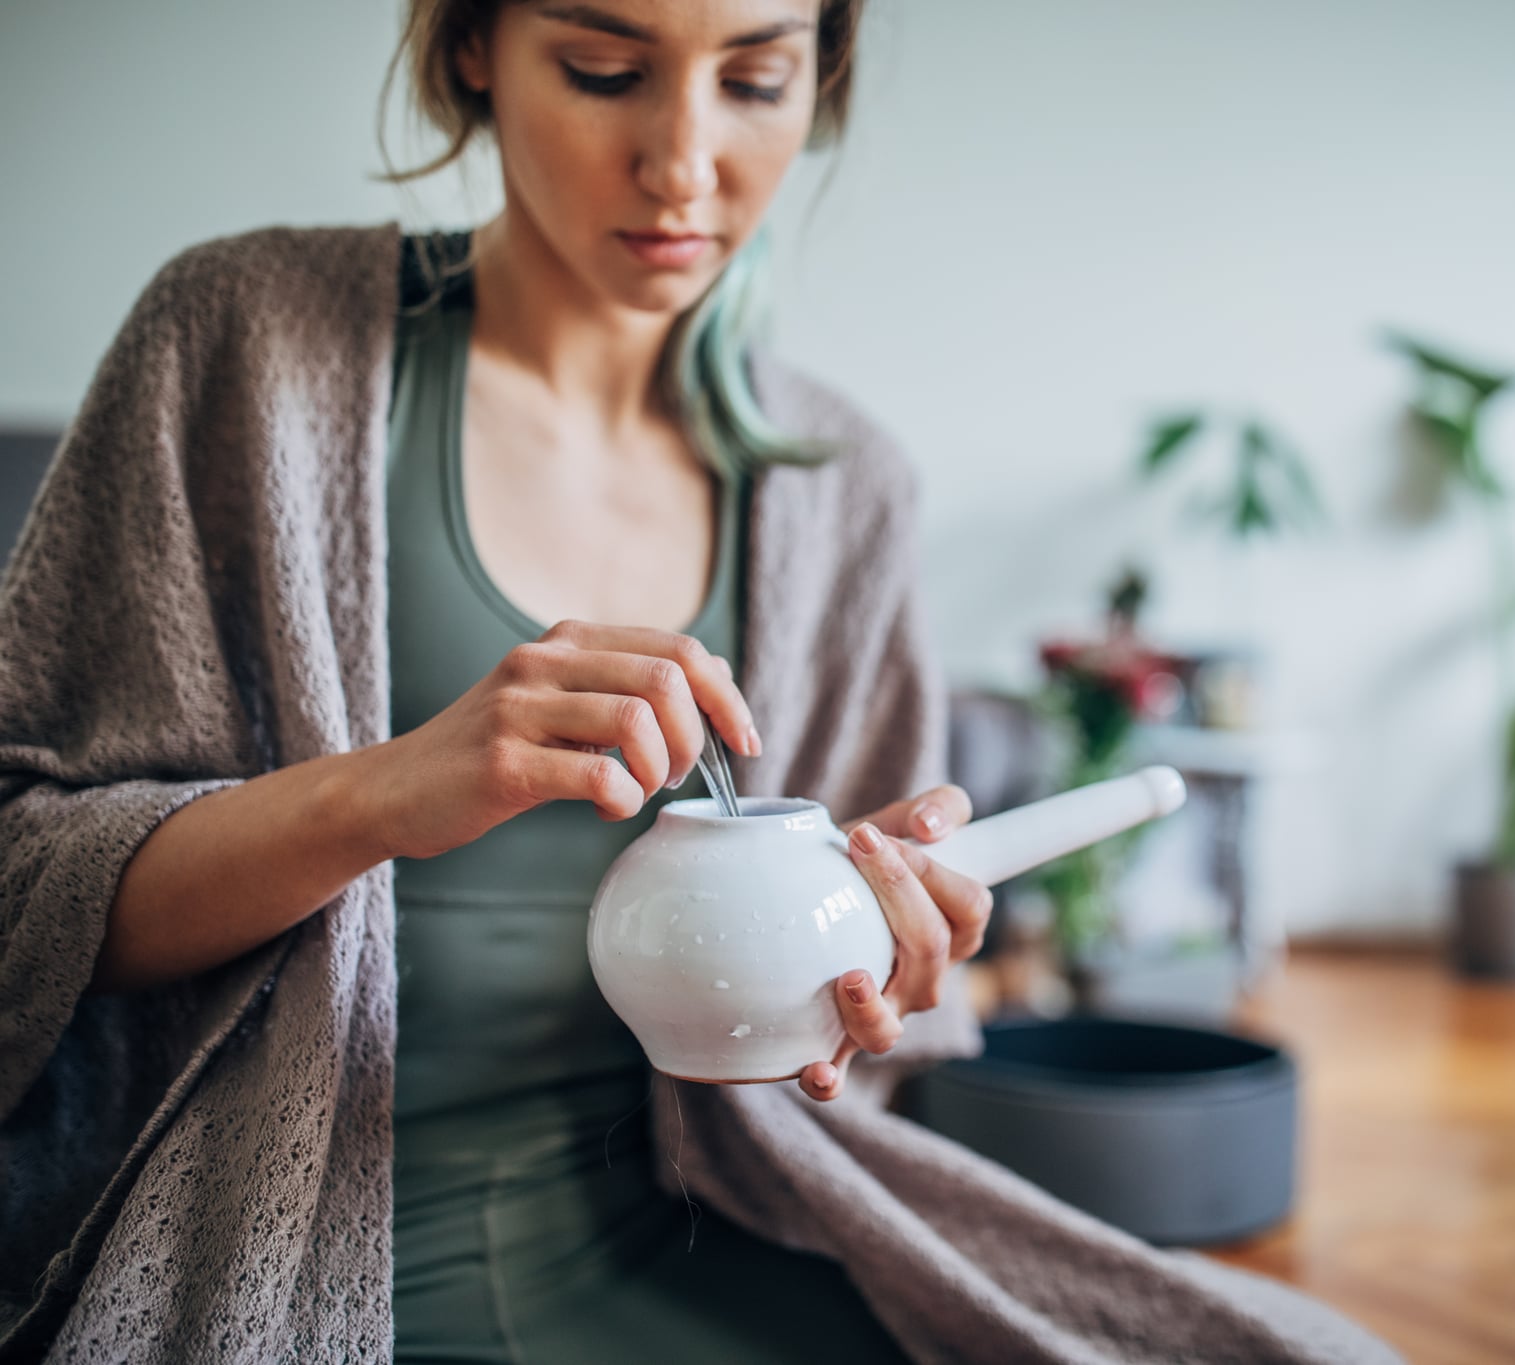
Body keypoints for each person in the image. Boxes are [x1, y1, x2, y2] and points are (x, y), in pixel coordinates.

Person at [0, 2, 1396, 1361]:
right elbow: (25, 887)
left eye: (755, 75)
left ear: (821, 76)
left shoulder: (845, 492)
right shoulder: (242, 344)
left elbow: (855, 1057)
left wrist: (866, 967)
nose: (683, 163)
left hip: (708, 1242)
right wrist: (384, 792)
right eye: (606, 69)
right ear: (474, 42)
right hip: (283, 1261)